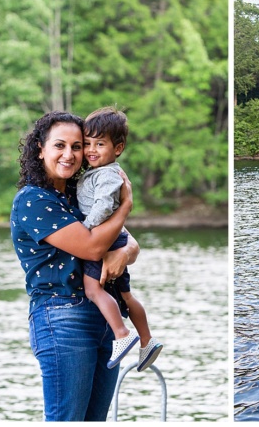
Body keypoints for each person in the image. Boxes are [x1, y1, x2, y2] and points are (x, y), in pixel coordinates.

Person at [11, 111, 139, 421]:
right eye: (59, 145)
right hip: (62, 316)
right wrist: (125, 206)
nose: (69, 154)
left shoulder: (78, 193)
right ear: (40, 149)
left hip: (103, 317)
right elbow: (94, 246)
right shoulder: (33, 200)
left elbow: (128, 244)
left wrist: (126, 251)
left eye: (77, 146)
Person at [77, 107, 163, 372]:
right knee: (125, 294)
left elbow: (103, 206)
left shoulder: (106, 174)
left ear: (118, 148)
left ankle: (121, 333)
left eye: (99, 144)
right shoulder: (100, 171)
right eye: (87, 143)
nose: (91, 150)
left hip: (106, 240)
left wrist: (85, 228)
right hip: (117, 238)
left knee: (94, 289)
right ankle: (147, 340)